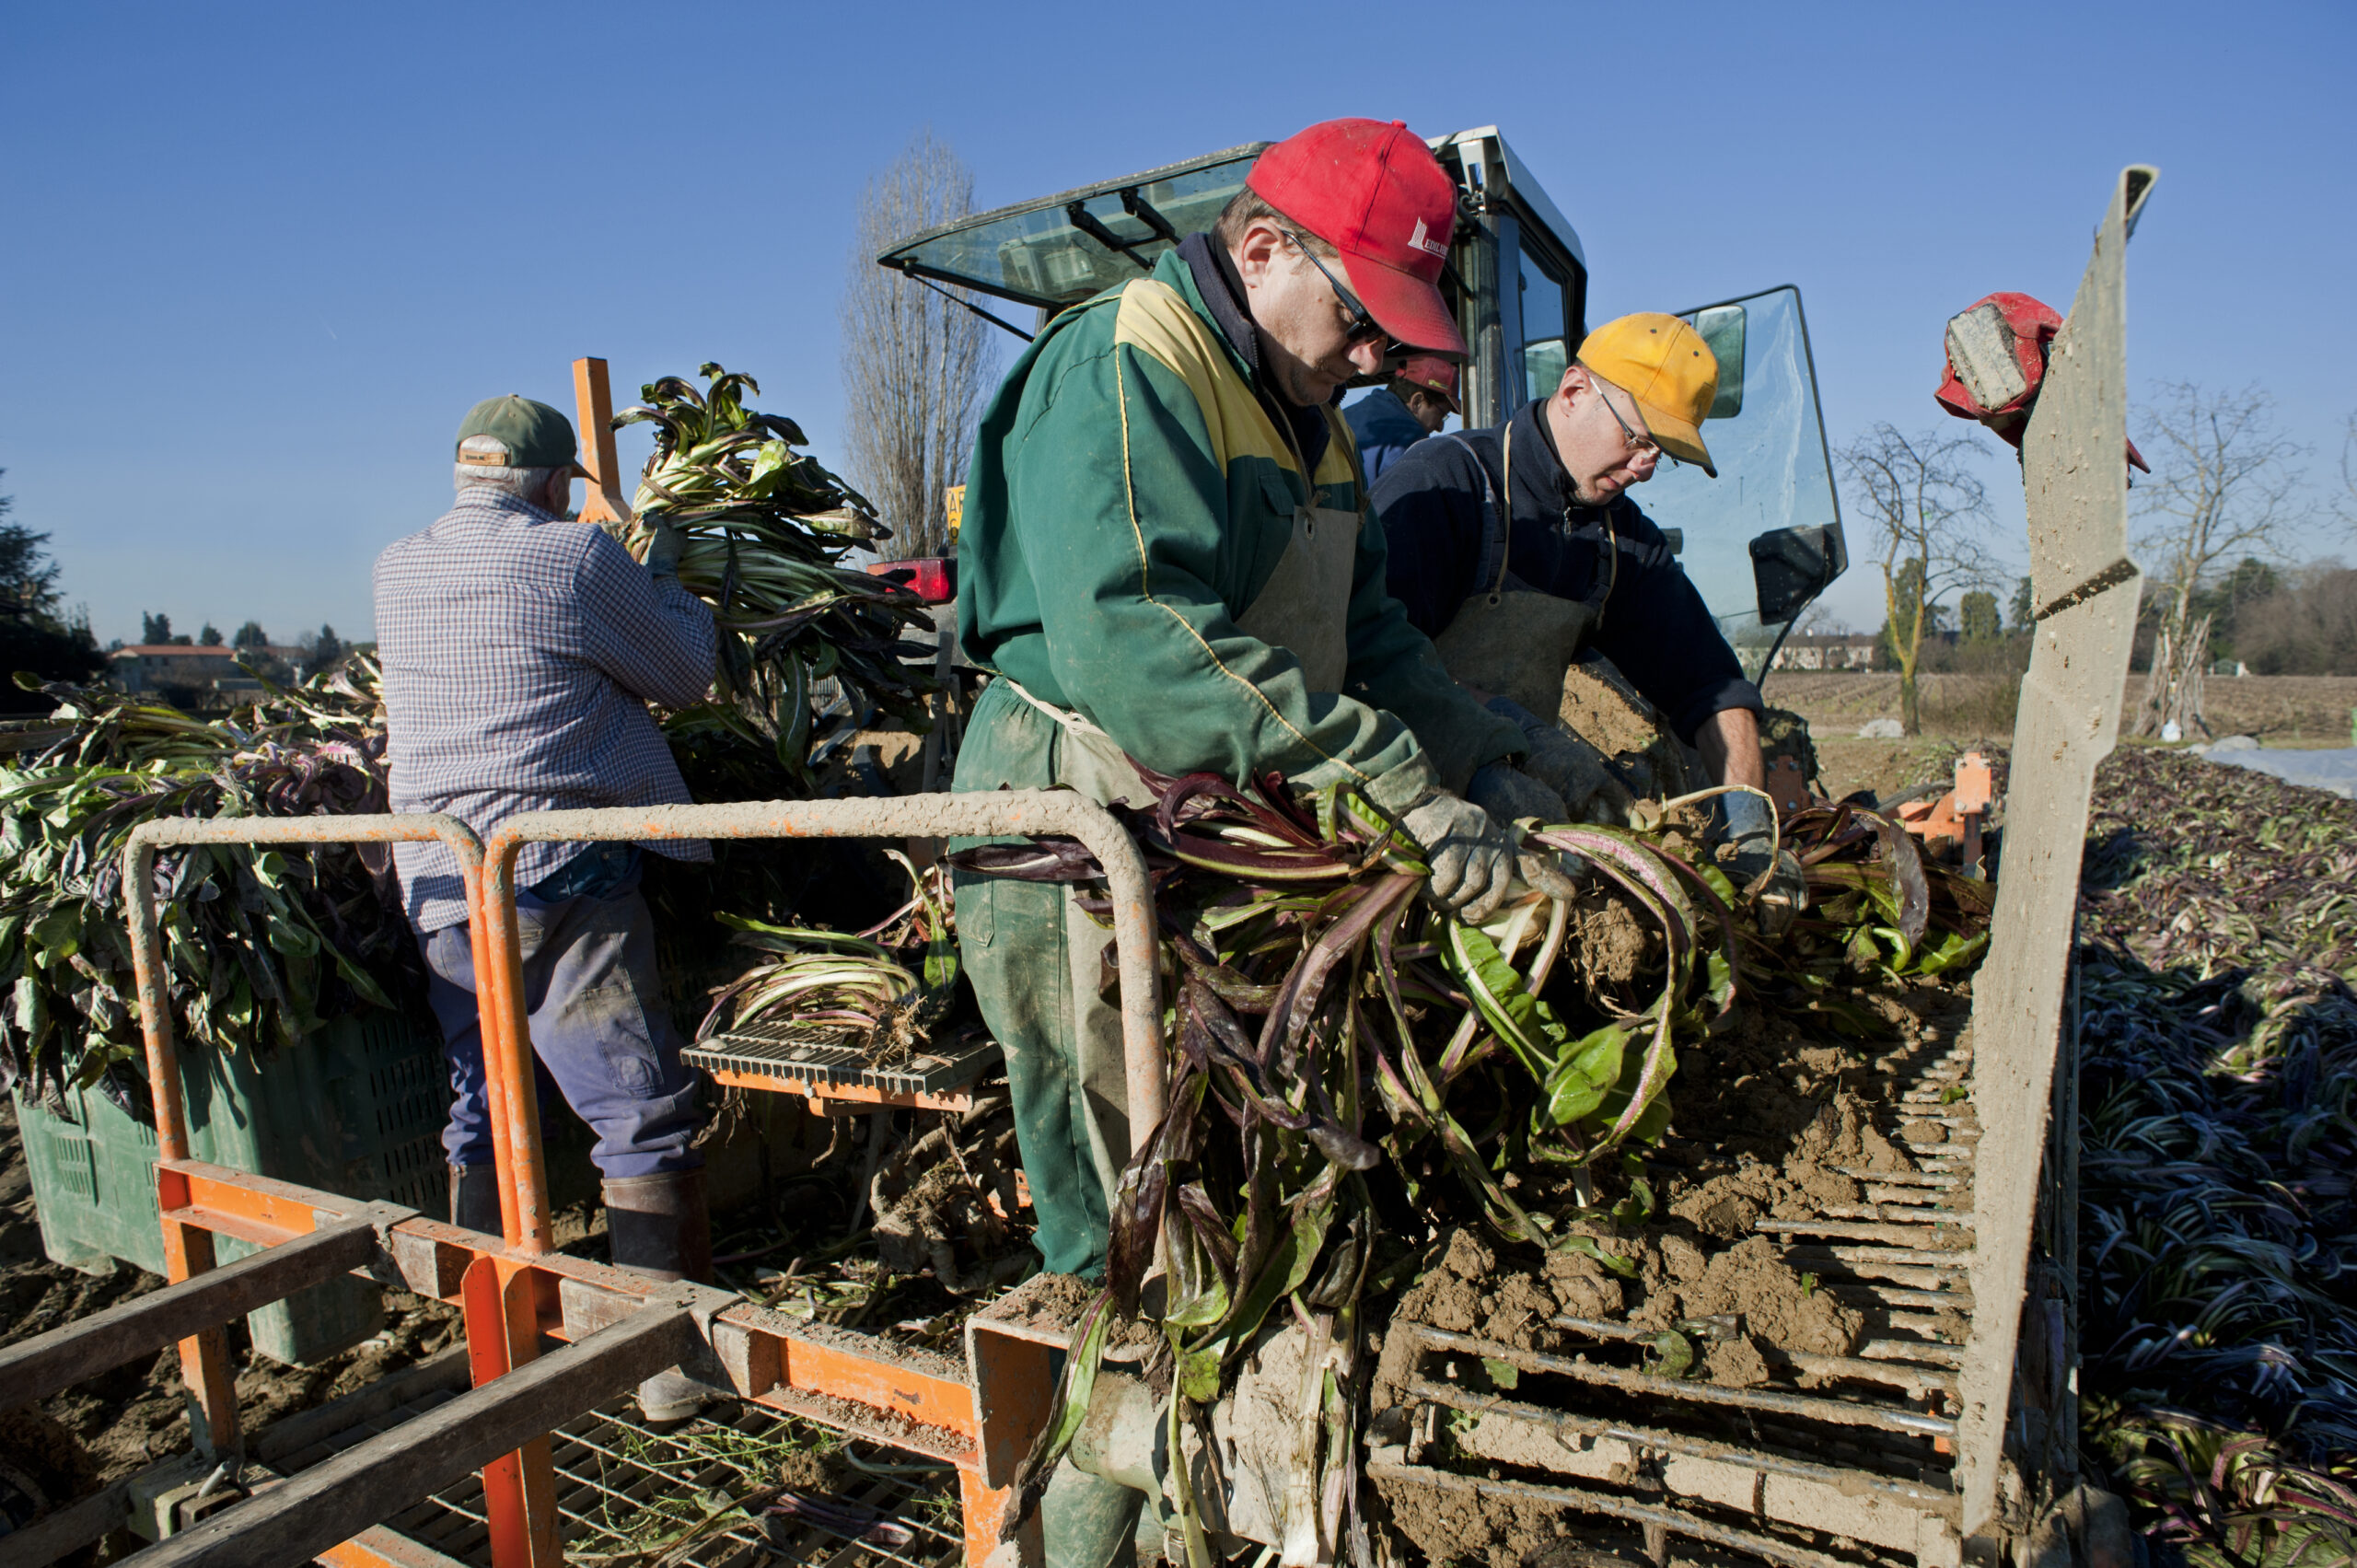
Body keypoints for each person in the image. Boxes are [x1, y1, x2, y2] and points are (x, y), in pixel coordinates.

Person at [950, 118, 1566, 1288]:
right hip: (1068, 795)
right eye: (1364, 319)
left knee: (1221, 1128)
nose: (1380, 357)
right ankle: (1106, 1406)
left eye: (1399, 333)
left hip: (1216, 792)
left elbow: (1371, 639)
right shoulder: (1126, 361)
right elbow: (1138, 639)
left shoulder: (1314, 421)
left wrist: (1487, 751)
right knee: (1116, 1146)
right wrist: (1391, 783)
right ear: (1268, 248)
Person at [373, 395, 718, 1419]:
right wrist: (656, 572)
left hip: (442, 879)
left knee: (484, 1095)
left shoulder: (396, 564)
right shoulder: (574, 555)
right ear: (553, 482)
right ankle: (669, 1364)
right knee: (636, 1109)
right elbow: (688, 674)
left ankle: (495, 1340)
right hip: (557, 863)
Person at [1371, 315, 1784, 874]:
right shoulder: (1447, 484)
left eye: (1661, 453)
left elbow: (1709, 687)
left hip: (1521, 819)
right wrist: (1511, 735)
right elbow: (1370, 661)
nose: (1644, 469)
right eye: (1637, 439)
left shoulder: (1624, 542)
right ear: (1573, 392)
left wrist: (1749, 822)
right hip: (1399, 812)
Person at [1345, 354, 1460, 482]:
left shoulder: (1346, 415)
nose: (1440, 427)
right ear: (1417, 402)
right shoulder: (1409, 438)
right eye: (1441, 414)